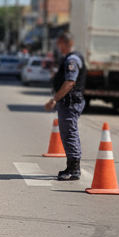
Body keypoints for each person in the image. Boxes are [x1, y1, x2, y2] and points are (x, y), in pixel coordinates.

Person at [44, 33, 87, 181]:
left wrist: (54, 99)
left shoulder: (72, 60)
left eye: (59, 43)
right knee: (69, 133)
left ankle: (73, 169)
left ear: (64, 43)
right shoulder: (70, 58)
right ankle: (73, 167)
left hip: (70, 102)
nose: (57, 46)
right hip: (70, 101)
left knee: (69, 134)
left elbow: (70, 82)